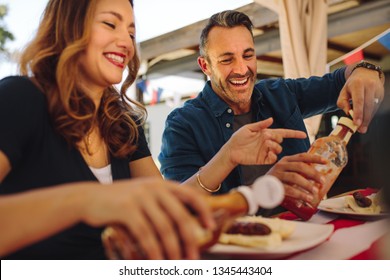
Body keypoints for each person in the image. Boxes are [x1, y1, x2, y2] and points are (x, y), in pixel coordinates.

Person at [0, 0, 216, 260]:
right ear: (69, 26)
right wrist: (86, 201)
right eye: (110, 24)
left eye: (131, 33)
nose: (126, 42)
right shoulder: (19, 98)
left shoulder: (124, 123)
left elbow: (166, 209)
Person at [158, 10, 385, 211]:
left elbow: (338, 80)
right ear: (205, 66)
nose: (241, 69)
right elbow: (181, 206)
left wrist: (366, 70)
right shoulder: (183, 123)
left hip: (307, 233)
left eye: (248, 55)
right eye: (227, 60)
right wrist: (253, 178)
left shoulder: (280, 93)